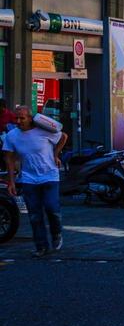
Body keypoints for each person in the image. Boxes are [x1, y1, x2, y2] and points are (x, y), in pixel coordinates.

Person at [3, 104, 68, 257]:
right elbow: (9, 158)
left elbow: (64, 136)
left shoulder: (43, 131)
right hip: (29, 178)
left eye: (22, 118)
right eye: (16, 118)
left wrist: (56, 154)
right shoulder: (12, 136)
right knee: (34, 215)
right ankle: (41, 246)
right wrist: (11, 181)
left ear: (30, 118)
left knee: (52, 209)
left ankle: (56, 233)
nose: (18, 121)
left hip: (49, 175)